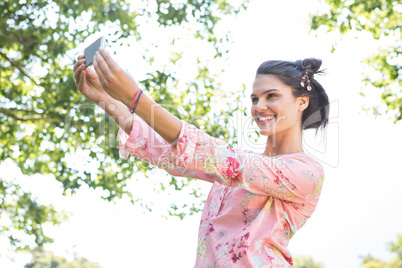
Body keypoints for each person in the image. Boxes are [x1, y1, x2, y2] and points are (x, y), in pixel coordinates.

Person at [73, 48, 329, 268]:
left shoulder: (307, 172)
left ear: (301, 102)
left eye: (271, 96)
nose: (258, 107)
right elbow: (168, 151)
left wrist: (135, 98)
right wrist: (104, 98)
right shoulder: (233, 164)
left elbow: (223, 160)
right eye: (254, 98)